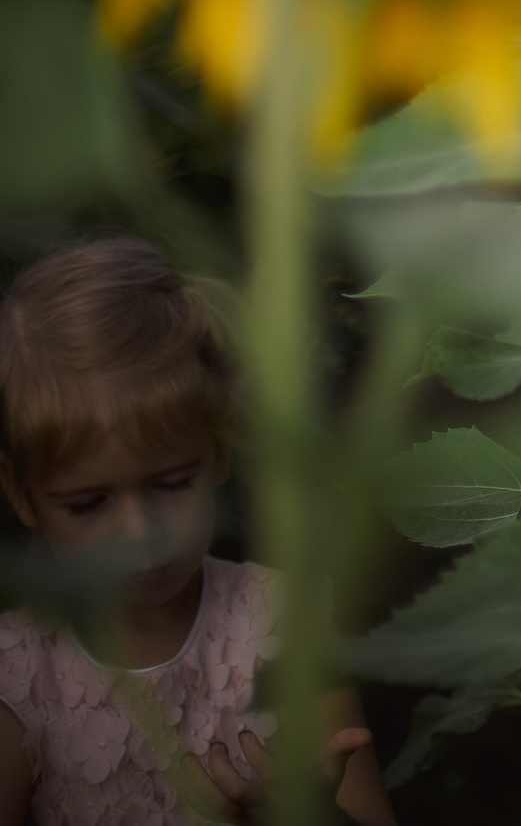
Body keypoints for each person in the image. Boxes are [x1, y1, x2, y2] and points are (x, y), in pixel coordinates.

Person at [0, 238, 395, 826]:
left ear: (218, 452)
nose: (139, 532)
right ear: (22, 497)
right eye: (87, 504)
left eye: (170, 483)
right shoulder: (19, 669)